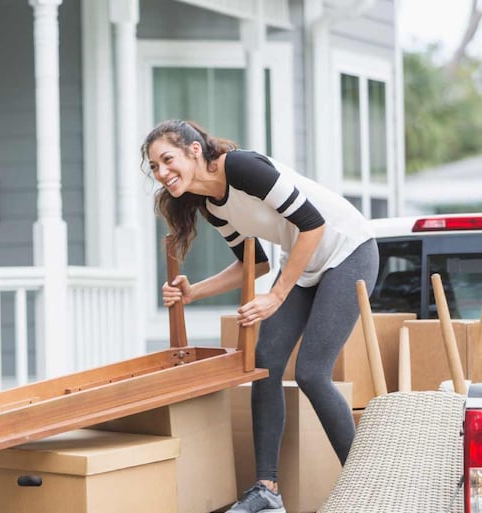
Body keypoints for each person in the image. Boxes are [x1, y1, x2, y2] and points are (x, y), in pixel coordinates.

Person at [144, 120, 378, 513]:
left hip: (348, 250)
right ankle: (267, 489)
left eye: (168, 159)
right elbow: (252, 263)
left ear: (194, 151)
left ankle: (366, 490)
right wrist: (193, 292)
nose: (162, 173)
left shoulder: (241, 168)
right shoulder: (213, 206)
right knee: (266, 361)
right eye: (154, 167)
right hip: (304, 267)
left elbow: (313, 224)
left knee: (311, 371)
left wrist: (277, 294)